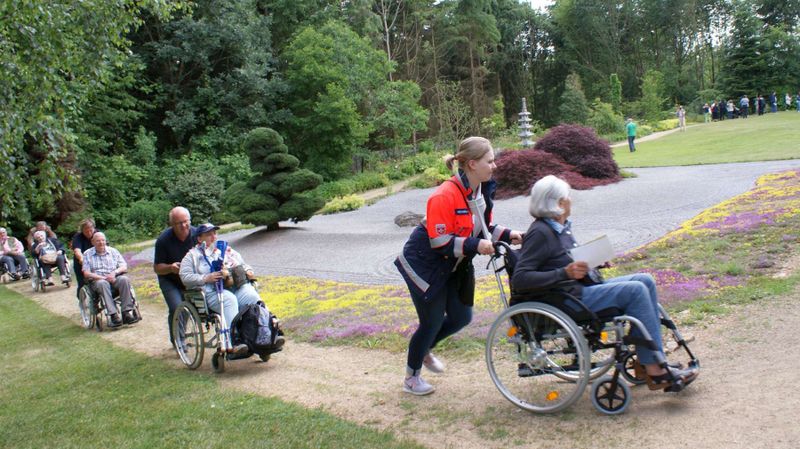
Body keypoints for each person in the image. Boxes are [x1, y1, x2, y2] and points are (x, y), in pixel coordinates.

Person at [511, 175, 699, 391]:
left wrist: (593, 263)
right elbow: (521, 278)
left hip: (579, 289)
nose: (571, 201)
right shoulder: (541, 233)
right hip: (569, 299)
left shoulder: (559, 227)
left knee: (645, 280)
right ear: (559, 203)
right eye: (568, 197)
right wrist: (564, 273)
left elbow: (564, 260)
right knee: (636, 291)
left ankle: (646, 362)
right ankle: (656, 370)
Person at [395, 136, 522, 395]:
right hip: (424, 265)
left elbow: (483, 229)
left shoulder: (480, 192)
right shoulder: (444, 195)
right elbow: (440, 242)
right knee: (430, 322)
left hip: (454, 264)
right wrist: (476, 246)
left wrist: (509, 234)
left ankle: (425, 348)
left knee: (461, 316)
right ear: (473, 164)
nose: (494, 166)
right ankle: (411, 378)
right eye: (490, 161)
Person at [179, 223, 263, 355]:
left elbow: (243, 264)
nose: (213, 237)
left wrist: (248, 270)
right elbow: (185, 277)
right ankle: (233, 341)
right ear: (199, 238)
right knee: (229, 300)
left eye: (214, 233)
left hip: (235, 287)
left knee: (251, 295)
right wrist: (206, 278)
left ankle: (263, 334)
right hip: (212, 292)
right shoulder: (192, 256)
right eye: (208, 234)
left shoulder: (225, 250)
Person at [153, 206, 195, 346]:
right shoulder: (163, 240)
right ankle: (179, 341)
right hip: (169, 279)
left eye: (185, 221)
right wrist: (171, 268)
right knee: (177, 306)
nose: (183, 225)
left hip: (189, 279)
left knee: (190, 307)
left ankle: (177, 336)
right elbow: (157, 268)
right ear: (172, 224)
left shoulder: (197, 235)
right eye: (179, 223)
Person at [83, 232, 138, 327]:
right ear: (93, 242)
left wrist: (114, 273)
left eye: (103, 240)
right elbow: (86, 273)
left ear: (105, 241)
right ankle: (113, 315)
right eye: (98, 241)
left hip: (114, 278)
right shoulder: (88, 254)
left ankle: (126, 313)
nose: (101, 243)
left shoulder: (113, 251)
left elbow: (124, 266)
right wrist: (103, 277)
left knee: (124, 279)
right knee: (102, 283)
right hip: (98, 280)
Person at [71, 218, 96, 295]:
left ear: (94, 228)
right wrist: (82, 259)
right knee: (82, 283)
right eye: (86, 231)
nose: (89, 233)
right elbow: (77, 251)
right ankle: (82, 301)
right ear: (82, 230)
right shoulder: (78, 237)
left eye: (90, 230)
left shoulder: (98, 234)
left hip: (97, 261)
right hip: (81, 263)